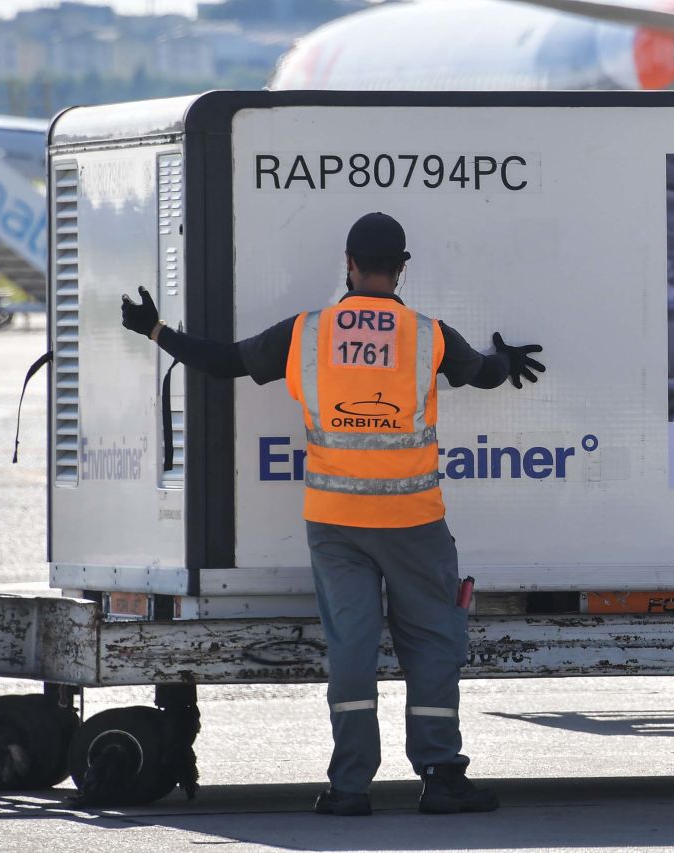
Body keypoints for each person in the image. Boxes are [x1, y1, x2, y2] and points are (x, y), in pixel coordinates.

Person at [120, 212, 544, 817]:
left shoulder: (307, 332)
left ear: (348, 262)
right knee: (432, 644)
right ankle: (442, 777)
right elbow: (482, 373)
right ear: (402, 268)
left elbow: (221, 362)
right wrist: (507, 361)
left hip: (336, 522)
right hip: (413, 521)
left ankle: (349, 788)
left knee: (351, 647)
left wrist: (155, 328)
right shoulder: (427, 334)